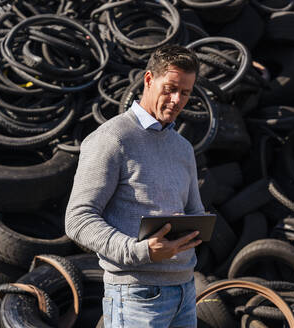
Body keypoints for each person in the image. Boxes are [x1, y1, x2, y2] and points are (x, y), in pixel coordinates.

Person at [65, 44, 205, 328]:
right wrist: (143, 250)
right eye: (170, 88)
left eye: (186, 93)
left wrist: (191, 229)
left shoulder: (183, 148)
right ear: (149, 80)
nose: (177, 100)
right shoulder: (112, 139)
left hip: (185, 292)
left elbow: (195, 211)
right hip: (135, 295)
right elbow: (78, 219)